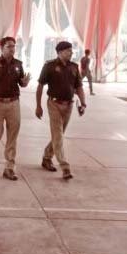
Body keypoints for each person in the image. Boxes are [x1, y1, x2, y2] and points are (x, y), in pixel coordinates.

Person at [36, 41, 86, 180]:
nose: (71, 53)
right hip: (54, 104)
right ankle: (65, 167)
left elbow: (79, 87)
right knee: (58, 135)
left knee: (58, 135)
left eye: (71, 50)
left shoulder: (74, 67)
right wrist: (38, 106)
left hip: (69, 105)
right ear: (59, 52)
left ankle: (47, 157)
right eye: (68, 50)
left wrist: (83, 103)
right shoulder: (49, 66)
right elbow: (40, 86)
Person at [0, 36, 31, 181]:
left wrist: (25, 82)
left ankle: (9, 168)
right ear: (1, 48)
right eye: (9, 46)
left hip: (13, 103)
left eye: (14, 46)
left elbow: (21, 83)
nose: (12, 49)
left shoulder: (18, 64)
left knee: (12, 136)